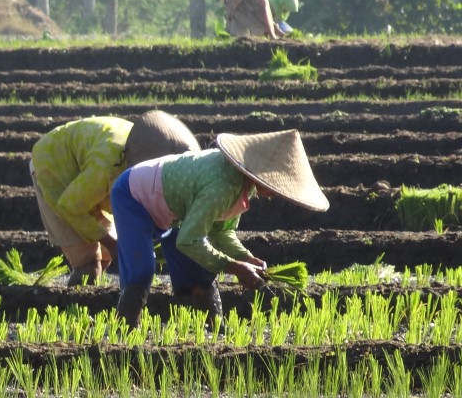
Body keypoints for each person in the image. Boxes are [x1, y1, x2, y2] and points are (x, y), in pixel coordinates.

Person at [110, 129, 329, 325]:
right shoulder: (224, 185)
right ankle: (125, 331)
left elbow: (222, 232)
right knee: (142, 270)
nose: (276, 193)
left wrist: (246, 258)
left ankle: (213, 333)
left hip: (176, 212)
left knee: (201, 273)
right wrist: (235, 267)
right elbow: (189, 240)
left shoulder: (243, 186)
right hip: (133, 195)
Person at [30, 111, 201, 287]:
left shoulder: (143, 147)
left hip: (86, 177)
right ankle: (73, 307)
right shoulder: (107, 167)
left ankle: (88, 303)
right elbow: (69, 205)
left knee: (104, 258)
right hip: (54, 168)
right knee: (89, 263)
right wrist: (111, 244)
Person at [223, 0, 299, 38]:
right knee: (256, 28)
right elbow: (267, 18)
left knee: (238, 23)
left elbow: (269, 21)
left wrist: (281, 34)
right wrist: (273, 36)